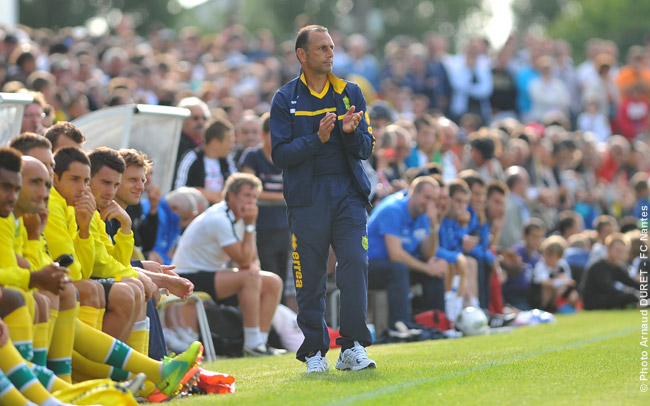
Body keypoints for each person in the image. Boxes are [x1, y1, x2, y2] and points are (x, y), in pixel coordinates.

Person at [269, 25, 376, 373]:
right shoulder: (285, 99)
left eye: (331, 47)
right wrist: (317, 138)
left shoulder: (350, 92)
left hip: (347, 194)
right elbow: (280, 155)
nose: (330, 54)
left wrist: (347, 133)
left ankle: (352, 346)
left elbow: (366, 148)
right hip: (307, 198)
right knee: (310, 277)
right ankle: (315, 350)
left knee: (355, 263)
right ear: (302, 55)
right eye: (321, 48)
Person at [172, 173, 284, 357]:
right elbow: (243, 260)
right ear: (231, 196)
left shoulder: (241, 217)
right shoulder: (220, 218)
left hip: (212, 273)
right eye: (247, 196)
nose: (251, 202)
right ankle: (252, 344)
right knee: (249, 278)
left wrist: (252, 262)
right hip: (187, 276)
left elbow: (252, 258)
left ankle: (260, 344)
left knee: (273, 282)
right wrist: (250, 226)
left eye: (255, 197)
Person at [367, 176, 443, 337]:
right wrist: (427, 268)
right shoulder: (393, 210)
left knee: (436, 268)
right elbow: (395, 255)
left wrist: (434, 225)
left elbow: (427, 252)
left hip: (392, 266)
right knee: (400, 269)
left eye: (433, 200)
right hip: (366, 267)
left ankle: (435, 323)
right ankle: (399, 326)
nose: (429, 204)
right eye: (427, 198)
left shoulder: (422, 214)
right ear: (414, 192)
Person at [240, 112, 293, 307]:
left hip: (284, 228)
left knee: (281, 277)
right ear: (264, 134)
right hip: (260, 228)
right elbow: (250, 189)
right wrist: (283, 198)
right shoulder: (252, 156)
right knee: (265, 275)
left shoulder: (288, 156)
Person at [174, 117, 237, 205]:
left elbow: (237, 189)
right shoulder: (191, 158)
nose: (232, 146)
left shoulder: (228, 161)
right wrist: (204, 195)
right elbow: (179, 189)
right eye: (229, 141)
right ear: (215, 142)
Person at [582, 233, 639, 310]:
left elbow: (630, 282)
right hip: (594, 302)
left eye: (623, 251)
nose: (620, 254)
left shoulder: (616, 266)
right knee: (630, 297)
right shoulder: (598, 266)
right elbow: (607, 288)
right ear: (608, 249)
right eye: (618, 250)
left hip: (607, 298)